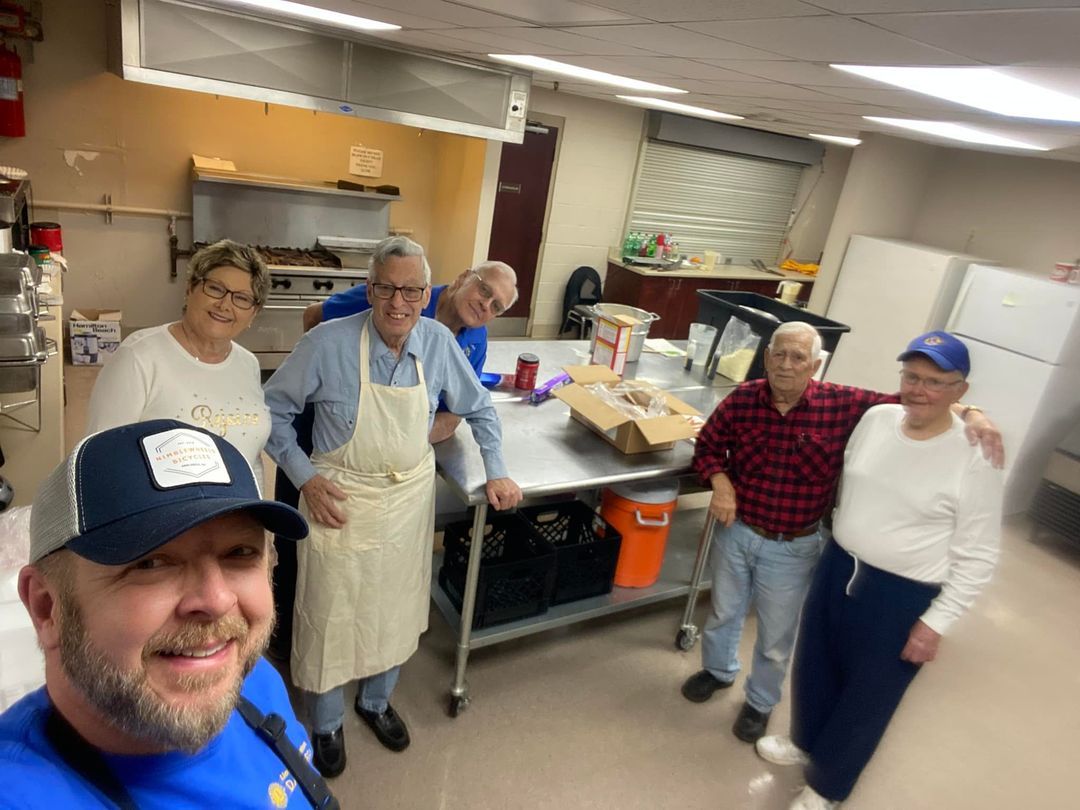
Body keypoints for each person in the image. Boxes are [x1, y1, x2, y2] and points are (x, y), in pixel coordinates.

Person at [264, 236, 522, 777]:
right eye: (386, 289)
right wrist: (306, 479)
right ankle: (327, 721)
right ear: (369, 290)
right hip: (341, 499)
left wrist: (496, 468)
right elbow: (272, 412)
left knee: (395, 607)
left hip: (407, 501)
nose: (398, 303)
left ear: (427, 294)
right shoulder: (327, 343)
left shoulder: (440, 342)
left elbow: (479, 408)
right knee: (332, 612)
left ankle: (376, 702)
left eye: (410, 291)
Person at [683, 321, 1003, 745]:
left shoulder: (845, 405)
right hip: (736, 531)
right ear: (766, 358)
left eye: (798, 357)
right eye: (779, 354)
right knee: (724, 612)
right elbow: (707, 446)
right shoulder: (743, 399)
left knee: (776, 635)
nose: (786, 365)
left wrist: (974, 412)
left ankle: (760, 702)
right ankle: (718, 670)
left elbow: (919, 399)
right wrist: (720, 481)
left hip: (792, 546)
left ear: (815, 365)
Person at [0, 420, 340, 809]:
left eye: (240, 553)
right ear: (46, 607)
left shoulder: (254, 680)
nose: (216, 600)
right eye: (152, 563)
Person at [755, 332, 1003, 810]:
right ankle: (805, 742)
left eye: (935, 382)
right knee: (815, 665)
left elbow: (979, 555)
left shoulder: (975, 456)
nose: (918, 389)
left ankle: (828, 787)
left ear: (960, 390)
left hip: (901, 593)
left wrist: (936, 622)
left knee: (869, 695)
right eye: (911, 376)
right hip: (838, 564)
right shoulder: (877, 419)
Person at [86, 240, 271, 490]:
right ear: (190, 288)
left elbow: (252, 457)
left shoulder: (248, 364)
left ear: (253, 314)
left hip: (238, 509)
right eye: (215, 289)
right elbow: (100, 458)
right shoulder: (139, 356)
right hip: (163, 511)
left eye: (242, 298)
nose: (225, 305)